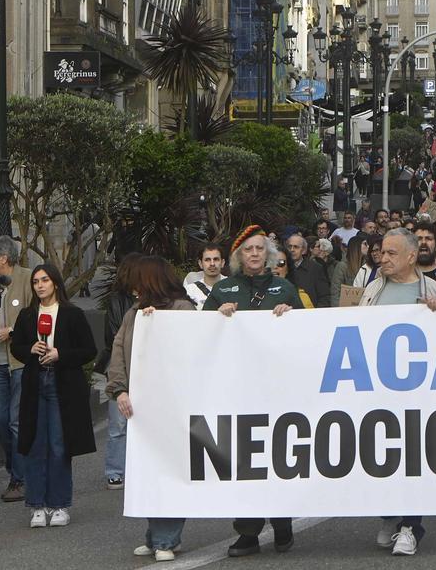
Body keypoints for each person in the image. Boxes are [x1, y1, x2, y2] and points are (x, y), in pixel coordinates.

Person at [203, 225, 298, 556]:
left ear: (268, 254)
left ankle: (283, 524)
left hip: (277, 392)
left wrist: (291, 316)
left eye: (260, 249)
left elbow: (306, 336)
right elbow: (201, 334)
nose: (254, 254)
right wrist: (218, 316)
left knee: (278, 458)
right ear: (239, 256)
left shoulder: (285, 288)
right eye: (248, 250)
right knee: (244, 461)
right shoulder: (224, 290)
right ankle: (247, 531)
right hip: (237, 391)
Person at [360, 228, 436, 556]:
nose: (384, 259)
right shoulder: (373, 288)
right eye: (382, 252)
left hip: (418, 393)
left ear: (412, 256)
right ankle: (390, 517)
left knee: (414, 459)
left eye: (392, 253)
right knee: (383, 457)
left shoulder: (432, 289)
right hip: (379, 392)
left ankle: (411, 527)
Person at [106, 256, 193, 562]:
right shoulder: (133, 313)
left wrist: (159, 325)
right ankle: (156, 536)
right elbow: (118, 350)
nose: (133, 289)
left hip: (172, 407)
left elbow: (190, 352)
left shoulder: (182, 309)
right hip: (140, 408)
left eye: (137, 282)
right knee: (148, 473)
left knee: (169, 471)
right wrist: (119, 389)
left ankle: (167, 538)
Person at [11, 264, 97, 529]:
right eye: (35, 281)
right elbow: (16, 347)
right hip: (35, 382)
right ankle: (37, 505)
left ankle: (59, 504)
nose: (39, 285)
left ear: (55, 283)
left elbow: (88, 350)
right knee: (35, 444)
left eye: (44, 280)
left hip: (63, 384)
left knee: (60, 445)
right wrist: (30, 348)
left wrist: (60, 354)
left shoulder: (72, 314)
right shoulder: (27, 316)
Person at [0, 235, 33, 503]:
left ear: (3, 258)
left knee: (15, 421)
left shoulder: (27, 278)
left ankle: (20, 479)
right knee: (0, 420)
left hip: (20, 362)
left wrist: (11, 330)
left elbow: (36, 315)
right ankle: (16, 471)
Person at [96, 253, 141, 490]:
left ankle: (140, 468)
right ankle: (115, 470)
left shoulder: (154, 298)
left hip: (145, 369)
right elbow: (113, 337)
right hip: (120, 366)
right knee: (118, 424)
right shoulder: (117, 300)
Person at [285, 233, 330, 307]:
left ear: (304, 250)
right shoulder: (282, 267)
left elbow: (324, 296)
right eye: (289, 247)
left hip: (311, 315)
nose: (292, 250)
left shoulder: (316, 268)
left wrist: (317, 314)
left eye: (296, 247)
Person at [183, 243, 226, 310]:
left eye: (216, 259)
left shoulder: (233, 287)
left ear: (222, 263)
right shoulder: (189, 291)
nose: (212, 264)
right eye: (207, 260)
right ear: (200, 264)